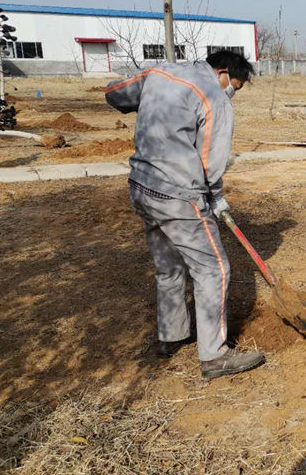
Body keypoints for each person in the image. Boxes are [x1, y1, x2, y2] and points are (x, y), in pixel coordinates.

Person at [105, 50, 265, 380]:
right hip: (179, 195)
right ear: (222, 72)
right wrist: (216, 197)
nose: (231, 92)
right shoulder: (215, 100)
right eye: (233, 85)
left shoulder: (159, 73)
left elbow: (114, 94)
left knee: (169, 266)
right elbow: (211, 163)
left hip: (142, 188)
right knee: (214, 269)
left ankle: (171, 335)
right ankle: (214, 356)